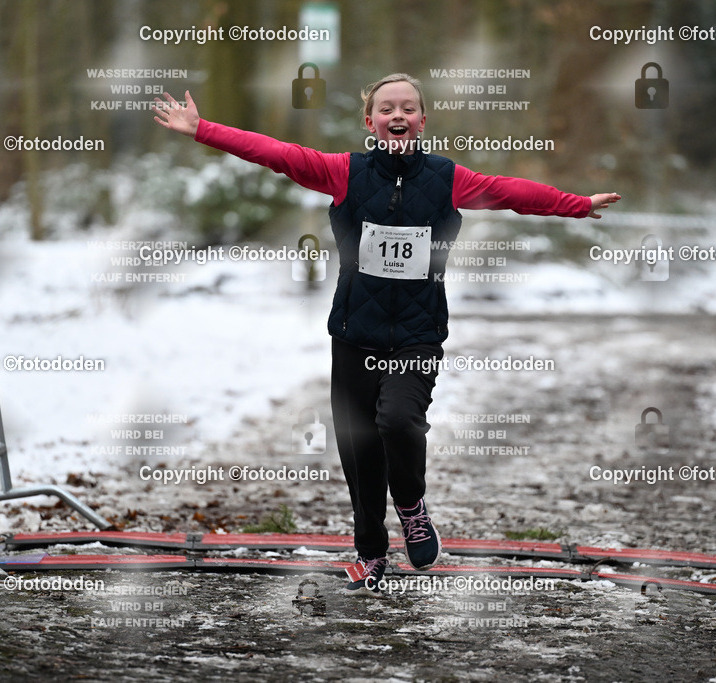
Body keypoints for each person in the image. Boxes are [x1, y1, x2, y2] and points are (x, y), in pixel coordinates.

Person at [154, 73, 620, 597]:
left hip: (417, 335)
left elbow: (509, 192)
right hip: (354, 335)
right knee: (359, 457)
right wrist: (202, 129)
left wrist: (575, 204)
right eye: (386, 109)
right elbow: (276, 153)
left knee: (399, 421)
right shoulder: (344, 173)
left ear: (423, 121)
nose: (397, 116)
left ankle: (412, 507)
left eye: (408, 108)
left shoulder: (447, 178)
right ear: (369, 121)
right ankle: (371, 554)